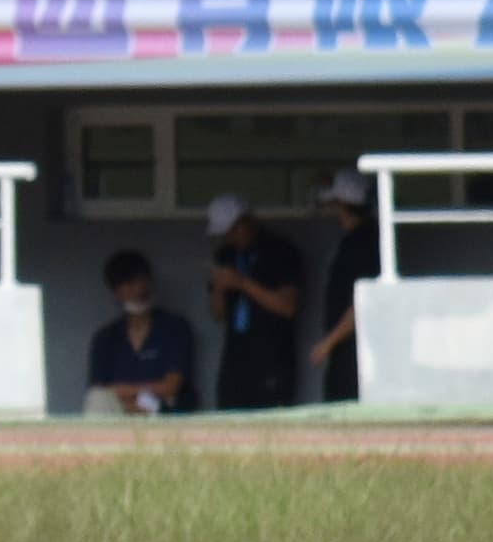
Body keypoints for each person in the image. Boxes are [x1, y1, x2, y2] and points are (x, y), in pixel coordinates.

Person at [204, 189, 305, 413]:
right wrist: (219, 287)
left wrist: (242, 283)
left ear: (248, 222)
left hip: (271, 355)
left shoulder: (281, 252)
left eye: (234, 231)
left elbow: (287, 306)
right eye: (226, 234)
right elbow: (218, 314)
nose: (231, 238)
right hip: (235, 356)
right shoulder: (225, 255)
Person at [85, 248, 196, 418]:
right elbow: (99, 391)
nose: (138, 290)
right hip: (120, 412)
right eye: (129, 284)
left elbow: (171, 388)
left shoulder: (174, 327)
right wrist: (129, 400)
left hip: (165, 411)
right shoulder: (105, 337)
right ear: (116, 292)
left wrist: (122, 390)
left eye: (142, 282)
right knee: (98, 399)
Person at [307, 170, 371, 405]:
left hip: (355, 352)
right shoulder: (357, 239)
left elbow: (362, 302)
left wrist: (328, 343)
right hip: (347, 350)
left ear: (342, 205)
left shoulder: (362, 243)